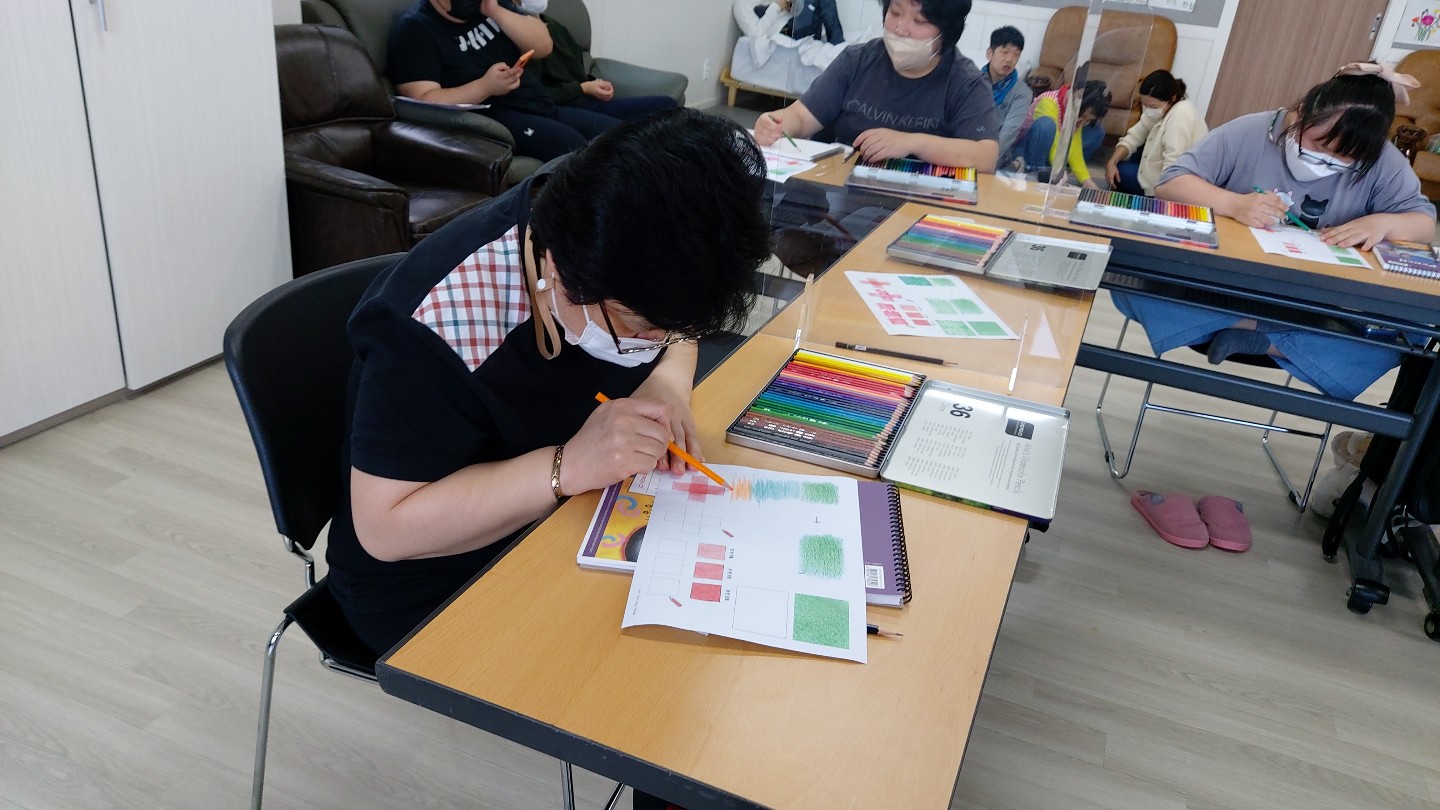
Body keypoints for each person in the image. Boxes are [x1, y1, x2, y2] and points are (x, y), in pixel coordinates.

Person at [327, 108, 772, 660]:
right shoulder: (436, 325)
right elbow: (385, 529)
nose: (655, 342)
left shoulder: (608, 208)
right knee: (655, 661)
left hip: (565, 513)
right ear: (559, 269)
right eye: (639, 328)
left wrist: (667, 382)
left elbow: (677, 330)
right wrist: (569, 465)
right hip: (435, 581)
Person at [1111, 64, 1435, 401]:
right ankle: (1270, 336)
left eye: (1343, 158)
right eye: (1318, 144)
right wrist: (1233, 204)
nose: (1324, 160)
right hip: (1224, 287)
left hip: (1313, 304)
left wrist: (1382, 223)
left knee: (1406, 338)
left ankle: (1261, 339)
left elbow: (1424, 223)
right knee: (1134, 282)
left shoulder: (1382, 161)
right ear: (1302, 112)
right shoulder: (1251, 131)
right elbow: (1170, 183)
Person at [754, 0, 1000, 170]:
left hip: (918, 206)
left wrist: (912, 142)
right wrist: (777, 123)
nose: (900, 29)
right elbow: (801, 116)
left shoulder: (966, 82)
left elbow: (985, 156)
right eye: (895, 12)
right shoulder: (856, 61)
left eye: (920, 20)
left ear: (946, 32)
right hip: (839, 193)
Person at [388, 0, 620, 162]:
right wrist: (484, 87)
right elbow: (422, 99)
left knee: (620, 138)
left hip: (541, 104)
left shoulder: (488, 7)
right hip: (497, 119)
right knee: (584, 156)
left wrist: (495, 10)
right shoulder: (414, 30)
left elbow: (543, 46)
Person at [535, 14, 678, 121]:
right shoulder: (523, 43)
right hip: (564, 109)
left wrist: (595, 86)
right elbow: (535, 97)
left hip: (587, 101)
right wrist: (582, 88)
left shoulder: (555, 27)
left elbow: (577, 72)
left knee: (667, 106)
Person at [1104, 70, 1208, 196]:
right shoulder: (1161, 109)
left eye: (1152, 106)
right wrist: (1112, 161)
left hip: (1175, 183)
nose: (1147, 110)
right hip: (1159, 170)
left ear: (1172, 99)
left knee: (1120, 173)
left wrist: (1160, 195)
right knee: (1120, 164)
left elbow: (1173, 164)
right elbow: (1134, 136)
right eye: (1144, 105)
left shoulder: (1181, 116)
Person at [1013, 73, 1110, 187]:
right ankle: (1034, 173)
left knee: (1097, 131)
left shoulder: (1077, 110)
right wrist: (1058, 169)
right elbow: (1055, 142)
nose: (1084, 122)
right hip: (1026, 150)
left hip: (1051, 152)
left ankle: (1055, 172)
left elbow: (1074, 146)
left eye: (1088, 120)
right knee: (1046, 125)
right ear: (1079, 100)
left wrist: (1086, 179)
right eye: (1084, 117)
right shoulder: (1049, 102)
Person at [984, 25, 1031, 159]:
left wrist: (983, 157)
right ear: (990, 53)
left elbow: (1009, 133)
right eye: (1005, 52)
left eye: (1016, 54)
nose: (1010, 59)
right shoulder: (971, 82)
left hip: (995, 153)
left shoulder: (1022, 93)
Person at [751, 0, 846, 45]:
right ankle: (838, 44)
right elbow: (755, 34)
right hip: (784, 32)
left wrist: (791, 6)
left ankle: (838, 44)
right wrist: (776, 6)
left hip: (798, 27)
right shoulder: (749, 6)